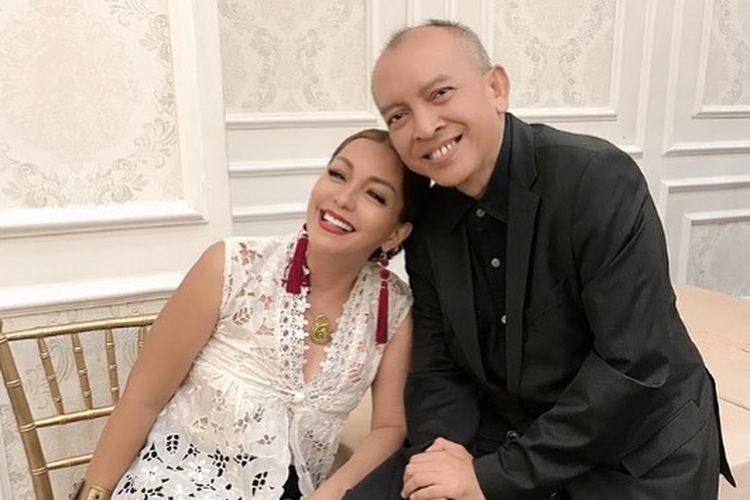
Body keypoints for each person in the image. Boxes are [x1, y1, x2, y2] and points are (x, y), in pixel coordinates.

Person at [346, 20, 736, 500]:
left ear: (496, 87)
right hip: (506, 429)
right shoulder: (430, 220)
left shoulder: (595, 178)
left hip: (631, 449)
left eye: (441, 93)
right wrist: (443, 461)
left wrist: (490, 479)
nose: (424, 127)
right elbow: (437, 368)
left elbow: (632, 367)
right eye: (398, 115)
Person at [73, 129, 430, 500]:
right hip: (174, 485)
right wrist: (94, 494)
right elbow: (143, 397)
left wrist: (330, 493)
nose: (343, 198)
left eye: (374, 195)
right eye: (338, 174)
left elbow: (389, 427)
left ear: (395, 233)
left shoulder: (393, 308)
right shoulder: (231, 267)